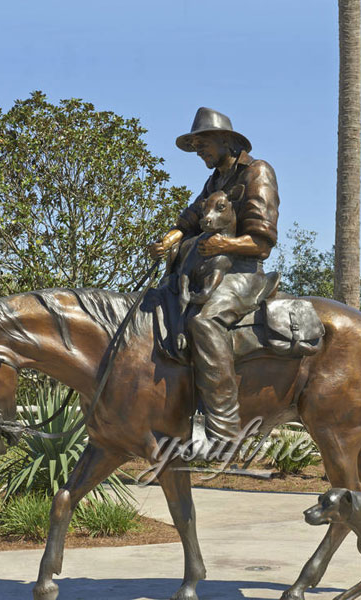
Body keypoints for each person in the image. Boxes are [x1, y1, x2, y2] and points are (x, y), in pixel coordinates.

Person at [149, 107, 279, 454]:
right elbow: (192, 219)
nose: (199, 151)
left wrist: (225, 244)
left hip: (243, 273)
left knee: (205, 324)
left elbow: (263, 242)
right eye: (194, 146)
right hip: (205, 269)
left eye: (202, 143)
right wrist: (172, 237)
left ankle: (223, 429)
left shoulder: (257, 172)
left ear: (226, 140)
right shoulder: (215, 180)